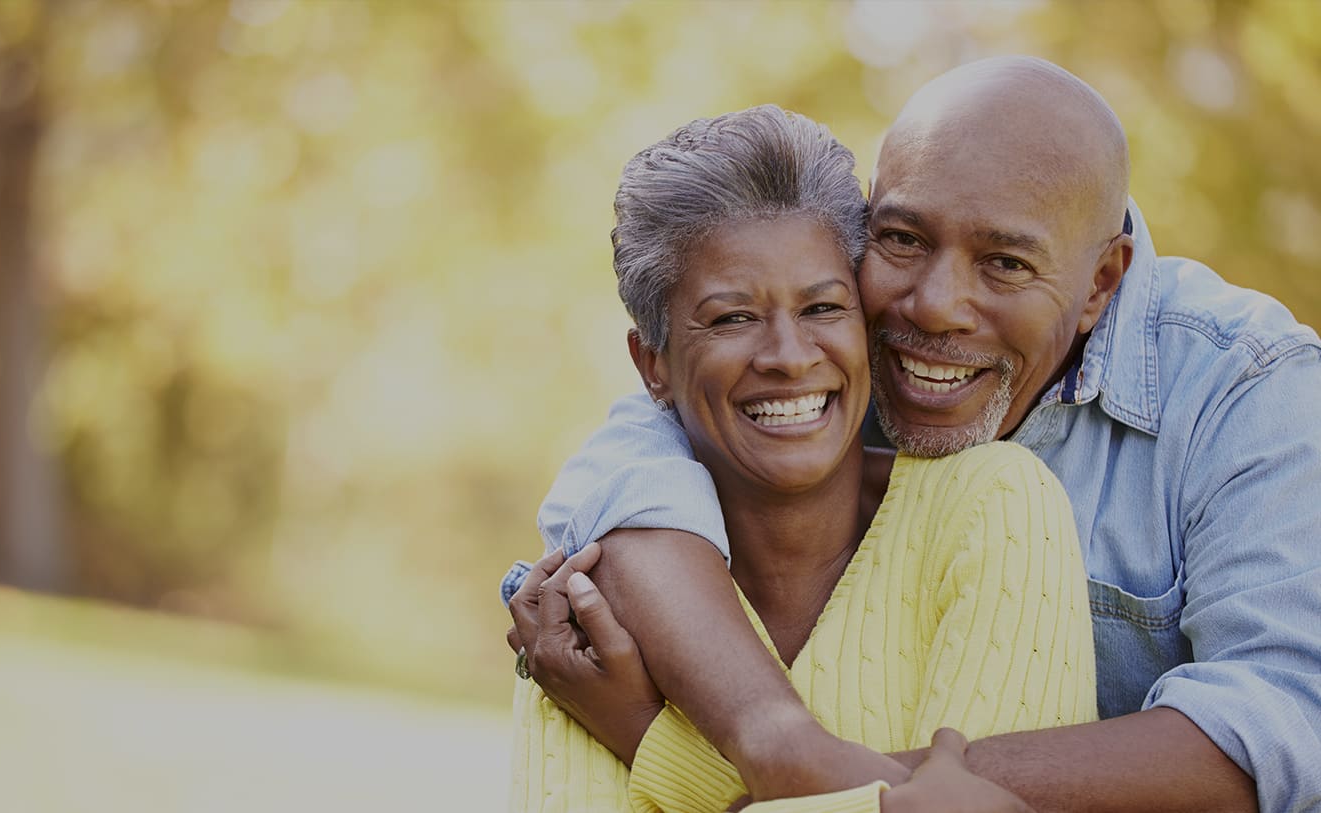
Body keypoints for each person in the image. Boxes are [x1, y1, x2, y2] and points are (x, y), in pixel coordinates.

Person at [506, 57, 1321, 812]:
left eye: (1004, 262)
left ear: (1100, 281)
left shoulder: (1245, 387)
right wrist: (776, 743)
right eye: (903, 239)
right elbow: (633, 464)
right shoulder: (829, 341)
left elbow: (1285, 722)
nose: (933, 306)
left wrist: (691, 749)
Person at [505, 104, 1097, 812]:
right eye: (732, 318)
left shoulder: (992, 508)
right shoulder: (587, 608)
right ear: (653, 363)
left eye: (822, 308)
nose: (788, 356)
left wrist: (652, 741)